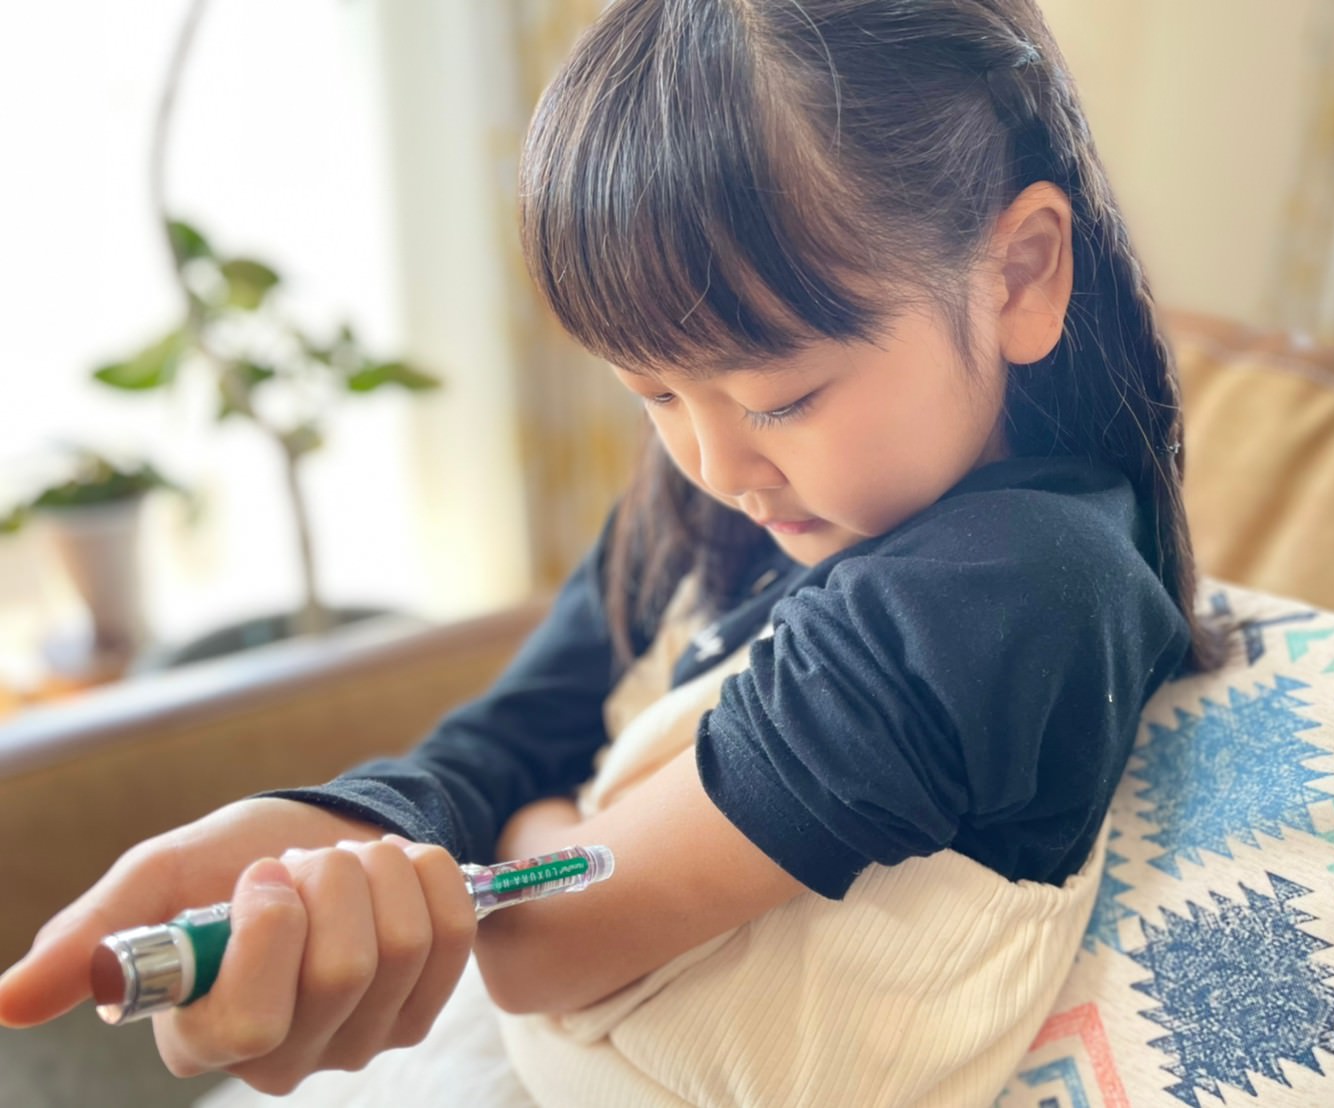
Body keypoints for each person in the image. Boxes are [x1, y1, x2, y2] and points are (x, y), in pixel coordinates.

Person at [0, 1, 1222, 1103]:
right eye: (650, 392)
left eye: (781, 396)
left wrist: (533, 828)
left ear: (1018, 273)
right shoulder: (718, 500)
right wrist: (344, 822)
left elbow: (544, 940)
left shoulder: (1018, 583)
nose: (713, 464)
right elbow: (505, 741)